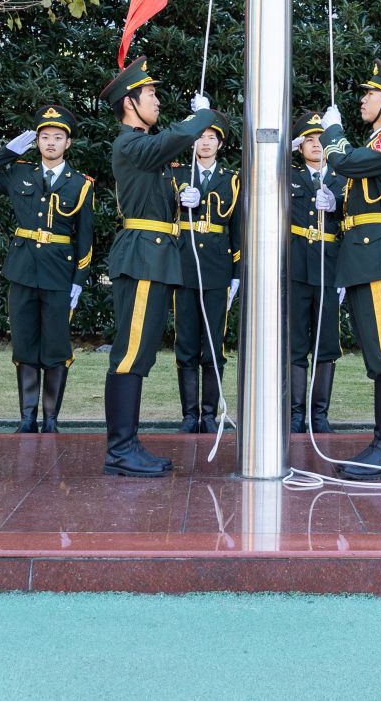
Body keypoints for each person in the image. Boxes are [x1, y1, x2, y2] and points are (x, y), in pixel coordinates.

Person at [97, 57, 219, 477]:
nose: (157, 100)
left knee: (141, 353)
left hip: (156, 255)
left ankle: (127, 444)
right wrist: (202, 116)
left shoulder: (145, 148)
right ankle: (120, 449)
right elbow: (177, 138)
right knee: (130, 353)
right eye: (150, 94)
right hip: (143, 257)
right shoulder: (131, 144)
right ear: (129, 103)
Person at [319, 58, 381, 480]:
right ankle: (380, 445)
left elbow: (345, 161)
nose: (362, 100)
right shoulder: (379, 144)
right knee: (379, 356)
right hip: (364, 253)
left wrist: (332, 131)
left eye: (370, 94)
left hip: (377, 253)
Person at [0, 103, 94, 434]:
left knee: (56, 346)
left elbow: (86, 238)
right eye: (44, 137)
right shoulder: (20, 172)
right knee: (24, 344)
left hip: (58, 274)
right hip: (23, 270)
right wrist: (8, 151)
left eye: (57, 137)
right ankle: (27, 418)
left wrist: (79, 279)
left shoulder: (80, 184)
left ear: (68, 143)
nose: (51, 143)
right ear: (36, 142)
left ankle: (51, 420)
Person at [171, 114, 241, 434]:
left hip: (216, 268)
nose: (206, 142)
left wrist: (237, 272)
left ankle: (209, 414)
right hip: (184, 265)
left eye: (212, 137)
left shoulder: (232, 180)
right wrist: (179, 199)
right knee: (185, 342)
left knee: (214, 344)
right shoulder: (179, 174)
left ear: (220, 143)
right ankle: (189, 414)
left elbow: (237, 228)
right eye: (200, 136)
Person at [286, 113, 344, 434]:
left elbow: (352, 221)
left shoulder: (341, 178)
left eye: (321, 139)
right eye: (309, 140)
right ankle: (296, 414)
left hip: (329, 267)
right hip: (296, 266)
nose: (317, 145)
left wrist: (336, 205)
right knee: (296, 342)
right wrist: (285, 150)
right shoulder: (289, 175)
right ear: (300, 146)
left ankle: (319, 414)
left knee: (326, 342)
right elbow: (262, 177)